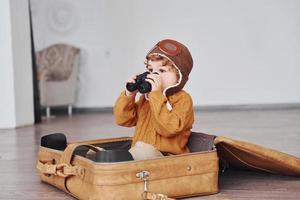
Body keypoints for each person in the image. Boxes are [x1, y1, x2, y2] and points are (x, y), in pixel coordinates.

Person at [114, 39, 194, 160]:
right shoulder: (146, 99)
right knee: (103, 155)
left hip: (168, 158)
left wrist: (156, 95)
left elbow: (169, 129)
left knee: (139, 152)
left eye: (162, 71)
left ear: (179, 77)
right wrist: (129, 94)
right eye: (151, 70)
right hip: (141, 154)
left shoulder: (183, 99)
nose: (154, 76)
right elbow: (123, 120)